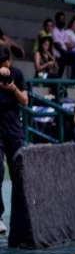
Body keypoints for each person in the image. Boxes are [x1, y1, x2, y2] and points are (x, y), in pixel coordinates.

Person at [0, 45, 28, 233]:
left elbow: (25, 100)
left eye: (6, 63)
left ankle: (23, 216)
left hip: (14, 132)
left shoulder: (16, 74)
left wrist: (12, 88)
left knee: (19, 173)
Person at [63, 15, 75, 79]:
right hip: (71, 52)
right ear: (71, 23)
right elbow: (67, 47)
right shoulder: (67, 32)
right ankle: (73, 79)